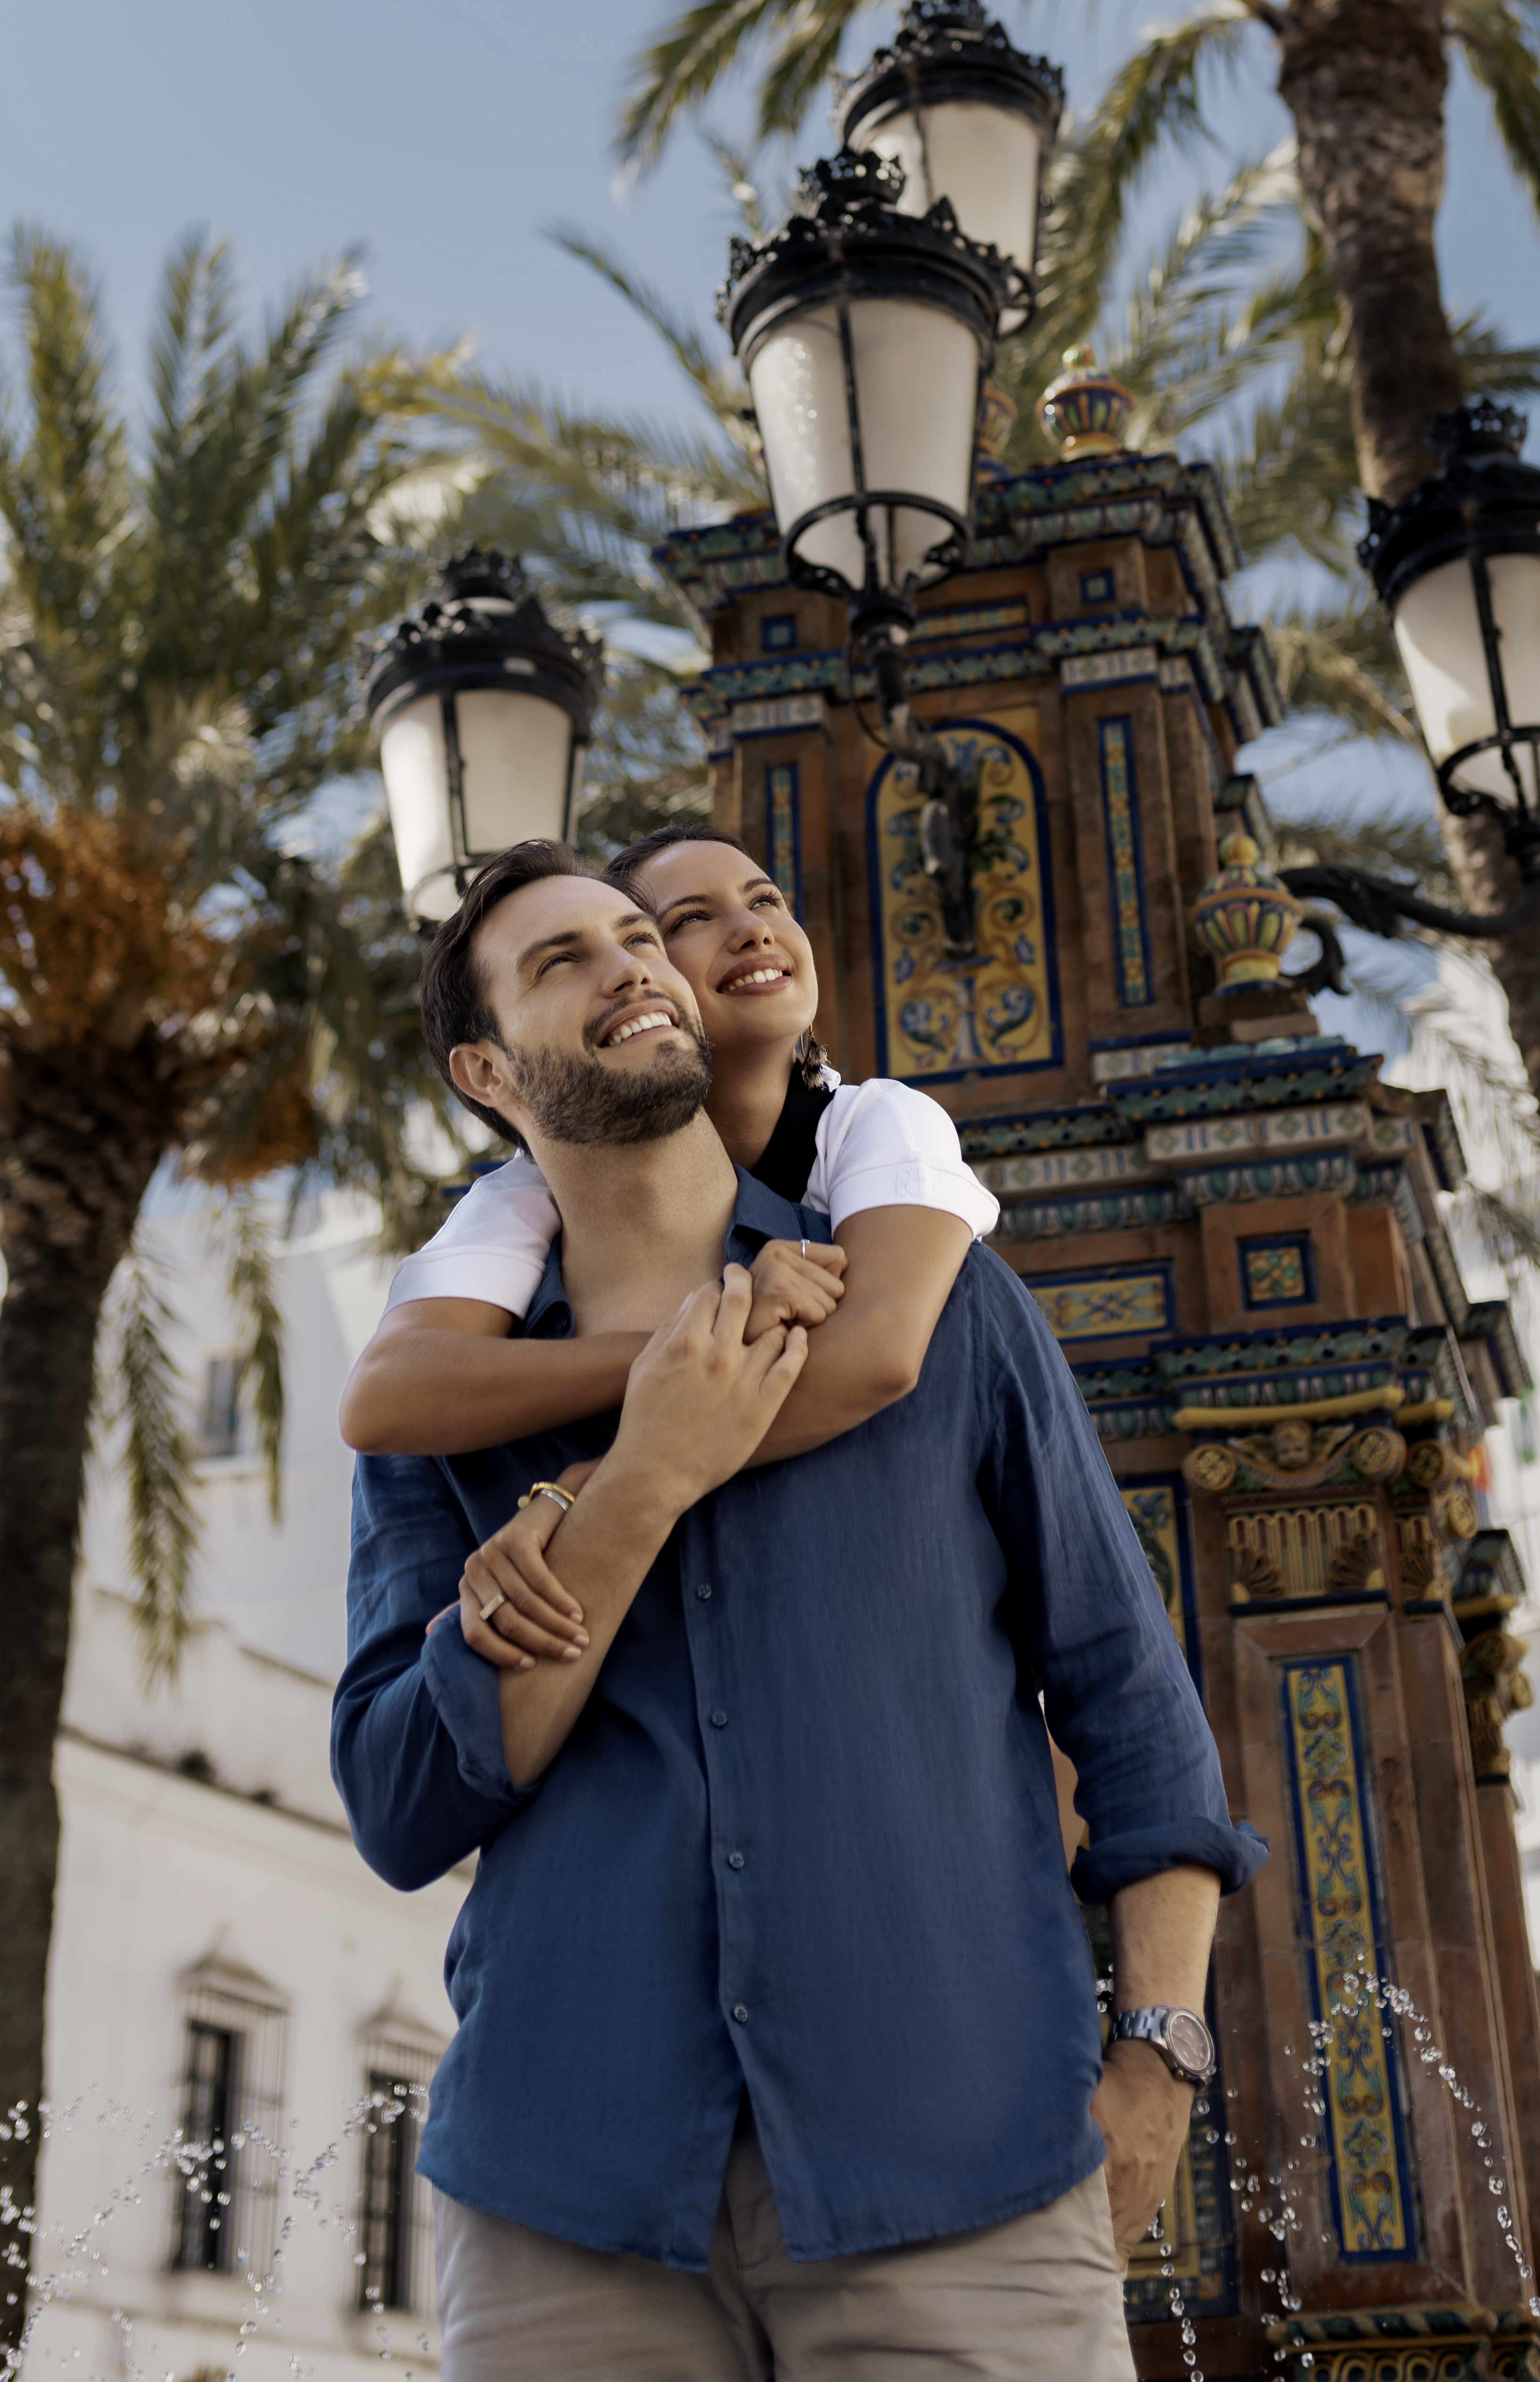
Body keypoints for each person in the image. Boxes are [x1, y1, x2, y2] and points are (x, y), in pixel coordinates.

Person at [331, 839, 1267, 2381]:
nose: (632, 966)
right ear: (487, 1072)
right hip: (562, 2196)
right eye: (563, 960)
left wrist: (1158, 2058)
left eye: (639, 938)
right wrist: (638, 1479)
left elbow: (1132, 1702)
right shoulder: (446, 1408)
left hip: (967, 2169)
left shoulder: (936, 1297)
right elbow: (401, 1804)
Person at [339, 824, 999, 1664]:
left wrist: (596, 1486)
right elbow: (382, 1397)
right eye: (689, 918)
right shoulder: (534, 1186)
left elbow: (879, 1351)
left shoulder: (876, 1124)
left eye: (767, 899)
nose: (752, 929)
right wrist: (688, 1347)